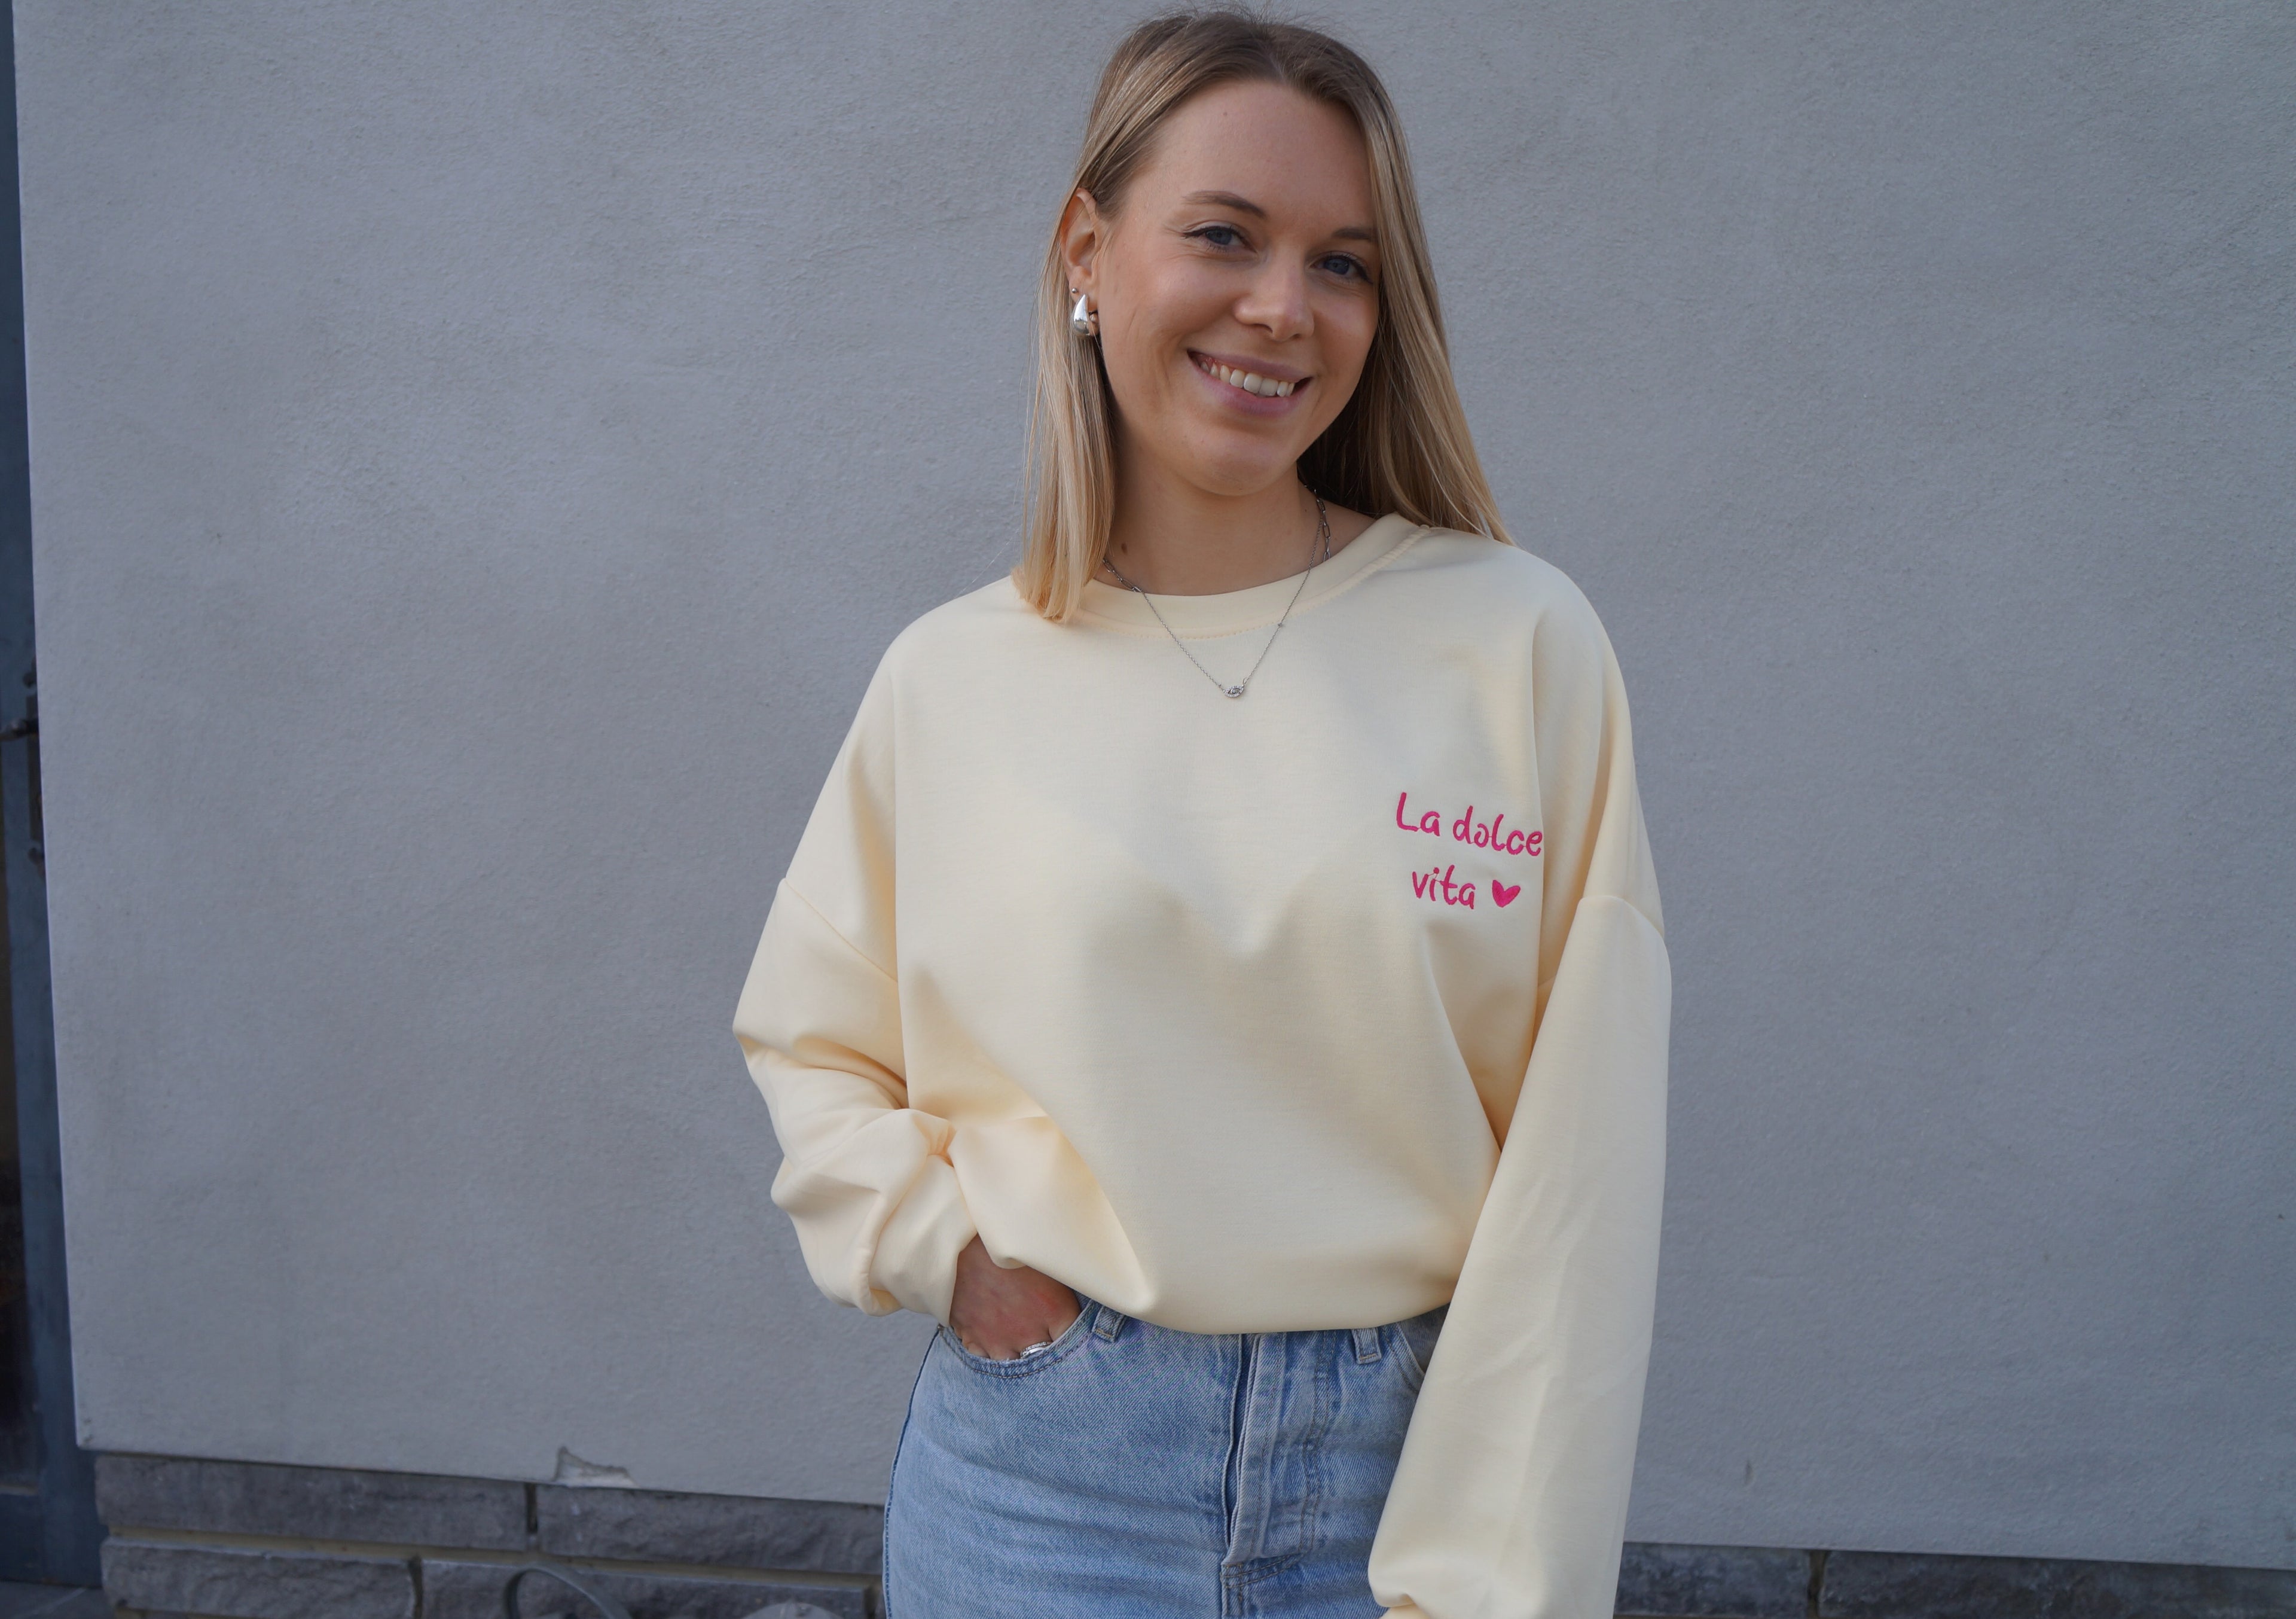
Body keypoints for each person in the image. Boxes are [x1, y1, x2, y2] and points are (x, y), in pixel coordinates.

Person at [732, 11, 1669, 1618]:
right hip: (1043, 1489)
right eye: (1225, 236)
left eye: (1343, 263)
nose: (1283, 307)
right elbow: (813, 1038)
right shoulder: (954, 678)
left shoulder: (1515, 643)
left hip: (1408, 1478)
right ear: (1087, 254)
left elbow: (1584, 1165)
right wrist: (956, 1258)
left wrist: (1499, 1573)